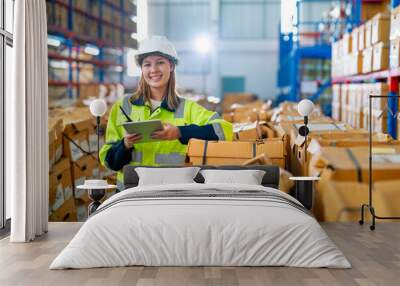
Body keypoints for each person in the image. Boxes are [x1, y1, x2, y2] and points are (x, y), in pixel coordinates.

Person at [99, 36, 233, 189]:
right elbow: (109, 162)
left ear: (171, 66)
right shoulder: (123, 107)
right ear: (142, 69)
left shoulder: (187, 108)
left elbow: (225, 130)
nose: (153, 70)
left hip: (171, 195)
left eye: (160, 62)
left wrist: (179, 132)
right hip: (130, 195)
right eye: (147, 64)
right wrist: (125, 144)